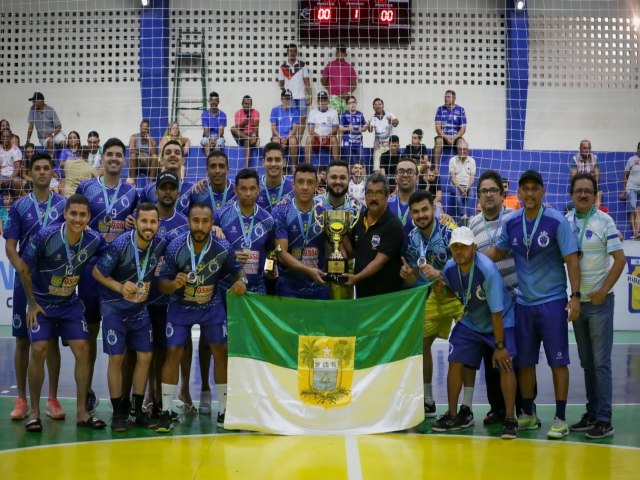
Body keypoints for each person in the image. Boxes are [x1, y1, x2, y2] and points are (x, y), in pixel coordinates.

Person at [485, 169, 581, 440]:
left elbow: (572, 259)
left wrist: (575, 296)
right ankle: (527, 414)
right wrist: (471, 256)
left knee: (557, 362)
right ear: (519, 191)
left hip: (552, 302)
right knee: (525, 363)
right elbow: (498, 252)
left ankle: (560, 418)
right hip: (523, 304)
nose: (529, 193)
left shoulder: (555, 221)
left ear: (543, 192)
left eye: (534, 189)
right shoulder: (513, 222)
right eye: (524, 189)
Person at [155, 201, 248, 432]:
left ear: (211, 223)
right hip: (181, 305)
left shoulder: (222, 246)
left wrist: (242, 280)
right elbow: (161, 284)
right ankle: (166, 410)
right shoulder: (175, 246)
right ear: (189, 222)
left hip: (211, 304)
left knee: (220, 350)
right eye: (195, 221)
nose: (200, 226)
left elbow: (237, 268)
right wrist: (172, 284)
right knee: (174, 351)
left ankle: (225, 410)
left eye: (205, 221)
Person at [19, 194, 107, 432]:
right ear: (66, 214)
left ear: (89, 217)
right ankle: (35, 413)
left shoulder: (93, 239)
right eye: (74, 214)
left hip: (69, 303)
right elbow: (24, 268)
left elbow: (111, 254)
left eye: (83, 215)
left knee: (84, 349)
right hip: (43, 304)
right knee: (38, 349)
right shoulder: (46, 236)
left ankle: (81, 412)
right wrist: (31, 303)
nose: (78, 219)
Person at [198, 169, 276, 414]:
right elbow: (210, 254)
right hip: (225, 289)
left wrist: (270, 270)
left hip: (256, 289)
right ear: (236, 190)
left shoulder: (267, 220)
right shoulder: (220, 217)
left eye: (253, 189)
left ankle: (252, 396)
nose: (248, 193)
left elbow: (272, 254)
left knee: (253, 345)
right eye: (243, 189)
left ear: (258, 190)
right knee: (217, 343)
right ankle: (208, 391)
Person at [430, 227, 519, 440]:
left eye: (464, 246)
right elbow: (452, 291)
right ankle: (452, 415)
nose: (459, 251)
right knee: (455, 360)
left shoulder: (486, 269)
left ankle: (510, 418)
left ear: (474, 247)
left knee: (505, 363)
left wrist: (499, 347)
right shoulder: (451, 267)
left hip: (500, 320)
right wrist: (440, 288)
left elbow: (496, 313)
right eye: (455, 247)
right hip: (471, 322)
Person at [76, 138, 139, 414]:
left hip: (119, 273)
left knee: (122, 339)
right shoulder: (87, 188)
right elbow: (74, 219)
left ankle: (122, 399)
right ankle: (87, 392)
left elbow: (141, 223)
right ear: (103, 158)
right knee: (89, 334)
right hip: (91, 271)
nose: (114, 159)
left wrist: (133, 222)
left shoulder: (132, 193)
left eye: (119, 155)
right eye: (110, 154)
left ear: (124, 160)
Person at [3, 152, 67, 422]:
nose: (42, 172)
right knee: (22, 341)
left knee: (51, 341)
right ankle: (21, 399)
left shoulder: (64, 205)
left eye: (46, 168)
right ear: (29, 174)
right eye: (37, 168)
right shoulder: (19, 206)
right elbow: (9, 245)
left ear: (53, 173)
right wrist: (22, 268)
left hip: (54, 285)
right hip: (25, 284)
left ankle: (52, 399)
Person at [92, 202, 167, 432]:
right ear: (136, 222)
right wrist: (119, 286)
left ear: (158, 224)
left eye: (153, 222)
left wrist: (215, 228)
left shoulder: (161, 243)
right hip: (114, 308)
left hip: (139, 309)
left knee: (145, 356)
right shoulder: (120, 245)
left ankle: (136, 411)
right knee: (117, 359)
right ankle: (118, 413)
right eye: (144, 221)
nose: (148, 226)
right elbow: (97, 272)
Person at [468, 170, 531, 426]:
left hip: (516, 297)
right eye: (484, 191)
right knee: (491, 355)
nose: (489, 195)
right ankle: (497, 407)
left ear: (502, 194)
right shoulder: (472, 224)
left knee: (518, 356)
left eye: (493, 190)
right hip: (488, 303)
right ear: (479, 197)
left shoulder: (515, 219)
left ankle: (524, 408)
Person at [566, 172, 625, 439]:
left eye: (588, 191)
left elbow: (620, 260)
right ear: (571, 194)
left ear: (595, 195)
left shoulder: (605, 221)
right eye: (578, 190)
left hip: (599, 305)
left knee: (601, 363)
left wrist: (602, 291)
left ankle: (605, 419)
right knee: (587, 362)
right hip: (578, 305)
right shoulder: (566, 222)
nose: (582, 194)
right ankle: (592, 414)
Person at [400, 189, 463, 419]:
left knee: (466, 347)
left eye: (425, 209)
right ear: (411, 215)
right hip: (434, 297)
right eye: (415, 212)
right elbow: (412, 276)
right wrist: (407, 274)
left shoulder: (450, 233)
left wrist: (441, 274)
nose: (421, 215)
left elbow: (466, 268)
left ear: (434, 209)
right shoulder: (412, 240)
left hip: (458, 296)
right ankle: (427, 398)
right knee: (422, 344)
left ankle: (464, 404)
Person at [146, 172, 189, 419]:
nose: (168, 192)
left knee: (164, 350)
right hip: (143, 297)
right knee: (142, 351)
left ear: (178, 192)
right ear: (156, 191)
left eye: (172, 188)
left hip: (170, 300)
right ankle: (143, 398)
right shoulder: (145, 219)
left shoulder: (184, 223)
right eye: (164, 187)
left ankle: (161, 399)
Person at [273, 163, 329, 300]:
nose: (305, 187)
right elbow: (281, 254)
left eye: (310, 182)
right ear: (293, 185)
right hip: (289, 288)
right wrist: (309, 271)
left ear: (316, 186)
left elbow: (330, 250)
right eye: (300, 182)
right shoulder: (281, 211)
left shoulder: (325, 213)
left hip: (319, 286)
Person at [343, 172, 404, 297]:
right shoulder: (359, 219)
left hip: (385, 297)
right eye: (369, 193)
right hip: (362, 295)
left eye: (378, 193)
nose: (373, 198)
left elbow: (379, 262)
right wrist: (341, 234)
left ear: (387, 195)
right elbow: (352, 253)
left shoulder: (393, 225)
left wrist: (356, 278)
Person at [140, 140, 193, 215]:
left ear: (183, 160)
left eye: (177, 153)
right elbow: (138, 214)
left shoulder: (192, 190)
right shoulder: (149, 189)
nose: (173, 155)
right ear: (161, 160)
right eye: (168, 153)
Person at [278, 43, 313, 137]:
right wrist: (286, 94)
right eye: (290, 51)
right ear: (287, 52)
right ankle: (291, 139)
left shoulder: (302, 65)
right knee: (291, 119)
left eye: (294, 51)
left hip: (302, 97)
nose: (292, 53)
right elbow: (281, 84)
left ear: (296, 52)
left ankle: (298, 141)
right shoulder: (283, 67)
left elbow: (307, 82)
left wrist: (310, 96)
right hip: (289, 99)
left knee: (302, 119)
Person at [190, 149, 236, 214]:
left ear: (227, 170)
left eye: (221, 166)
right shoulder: (198, 192)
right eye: (213, 166)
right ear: (207, 170)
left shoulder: (236, 192)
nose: (217, 171)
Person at [433, 90, 467, 172]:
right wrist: (446, 137)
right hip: (444, 136)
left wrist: (455, 138)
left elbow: (463, 129)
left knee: (462, 145)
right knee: (438, 141)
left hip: (456, 136)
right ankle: (436, 167)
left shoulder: (460, 109)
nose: (446, 98)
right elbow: (438, 128)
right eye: (445, 97)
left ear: (454, 98)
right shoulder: (440, 109)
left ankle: (462, 168)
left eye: (448, 97)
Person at [256, 142, 294, 213]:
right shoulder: (255, 187)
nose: (273, 164)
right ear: (263, 162)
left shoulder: (293, 188)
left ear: (284, 162)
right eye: (269, 160)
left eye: (277, 160)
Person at [25, 92, 67, 157]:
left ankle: (65, 161)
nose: (33, 103)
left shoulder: (51, 110)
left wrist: (52, 135)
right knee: (50, 141)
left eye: (35, 101)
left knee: (63, 142)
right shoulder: (33, 109)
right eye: (33, 101)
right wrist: (27, 141)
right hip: (43, 137)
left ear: (42, 101)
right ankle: (51, 162)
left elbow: (59, 126)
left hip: (54, 133)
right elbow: (31, 126)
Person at [321, 45, 358, 115]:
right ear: (336, 54)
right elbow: (323, 81)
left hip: (345, 98)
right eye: (338, 52)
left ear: (345, 54)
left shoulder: (349, 67)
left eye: (342, 52)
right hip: (333, 97)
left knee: (345, 119)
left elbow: (354, 84)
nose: (340, 54)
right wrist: (329, 87)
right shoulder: (330, 65)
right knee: (335, 118)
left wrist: (348, 93)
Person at [304, 91, 340, 165]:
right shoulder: (312, 112)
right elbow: (311, 130)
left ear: (328, 101)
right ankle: (307, 164)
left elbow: (335, 130)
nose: (323, 102)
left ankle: (336, 164)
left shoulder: (334, 112)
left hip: (328, 137)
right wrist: (319, 136)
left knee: (334, 139)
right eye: (321, 100)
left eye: (325, 100)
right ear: (317, 102)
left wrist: (327, 136)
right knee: (309, 139)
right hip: (316, 138)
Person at [387, 157, 419, 236]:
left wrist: (446, 218)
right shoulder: (385, 204)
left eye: (410, 172)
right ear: (395, 178)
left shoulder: (427, 206)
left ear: (417, 178)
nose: (405, 175)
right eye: (401, 171)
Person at [448, 139, 476, 225]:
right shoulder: (452, 160)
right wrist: (460, 188)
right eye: (460, 149)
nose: (462, 151)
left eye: (465, 149)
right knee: (457, 195)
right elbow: (453, 179)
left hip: (467, 185)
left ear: (468, 150)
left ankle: (465, 215)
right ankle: (463, 215)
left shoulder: (472, 161)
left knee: (471, 193)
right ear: (457, 150)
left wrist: (466, 188)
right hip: (455, 185)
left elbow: (472, 178)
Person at [270, 89, 300, 167]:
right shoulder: (275, 110)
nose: (288, 101)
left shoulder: (295, 111)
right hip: (278, 135)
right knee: (276, 142)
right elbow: (273, 128)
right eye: (286, 98)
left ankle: (293, 165)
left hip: (289, 136)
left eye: (289, 99)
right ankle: (278, 165)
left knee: (293, 142)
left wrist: (286, 138)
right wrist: (280, 137)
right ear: (281, 99)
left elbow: (294, 129)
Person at [569, 140, 602, 207]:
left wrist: (591, 185)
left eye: (589, 148)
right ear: (580, 149)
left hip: (591, 184)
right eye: (585, 148)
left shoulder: (595, 158)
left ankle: (596, 211)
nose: (587, 150)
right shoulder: (575, 159)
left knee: (599, 191)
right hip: (579, 184)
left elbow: (597, 176)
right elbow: (574, 177)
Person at [370, 98, 399, 173]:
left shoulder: (389, 114)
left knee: (389, 168)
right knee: (376, 170)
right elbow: (370, 130)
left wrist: (392, 121)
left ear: (383, 106)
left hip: (389, 146)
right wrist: (368, 127)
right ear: (373, 107)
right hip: (378, 146)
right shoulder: (372, 118)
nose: (377, 106)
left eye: (379, 104)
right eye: (375, 104)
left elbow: (396, 122)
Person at [230, 95, 260, 168]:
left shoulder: (256, 113)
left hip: (252, 136)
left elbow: (256, 128)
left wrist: (254, 136)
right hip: (241, 136)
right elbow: (237, 129)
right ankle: (247, 138)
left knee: (247, 140)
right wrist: (244, 123)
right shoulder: (238, 113)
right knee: (232, 128)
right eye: (246, 104)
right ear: (242, 104)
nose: (247, 106)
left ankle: (246, 166)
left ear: (251, 105)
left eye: (249, 104)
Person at [339, 95, 369, 165]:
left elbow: (364, 128)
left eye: (353, 102)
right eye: (350, 103)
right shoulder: (344, 114)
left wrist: (362, 128)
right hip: (348, 143)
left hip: (358, 143)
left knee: (362, 161)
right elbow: (340, 128)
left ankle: (363, 176)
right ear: (347, 105)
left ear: (356, 103)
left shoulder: (360, 114)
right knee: (348, 162)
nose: (352, 104)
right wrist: (348, 128)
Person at [127, 119, 159, 185]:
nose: (145, 131)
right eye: (143, 129)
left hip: (148, 163)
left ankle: (150, 182)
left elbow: (153, 153)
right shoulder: (134, 137)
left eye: (147, 129)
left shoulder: (152, 140)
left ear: (149, 130)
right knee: (133, 155)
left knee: (155, 157)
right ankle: (133, 182)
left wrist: (149, 140)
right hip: (137, 161)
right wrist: (140, 153)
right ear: (140, 128)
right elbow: (131, 150)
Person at [621, 142, 640, 238]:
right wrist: (624, 190)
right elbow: (625, 175)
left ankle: (637, 233)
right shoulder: (631, 160)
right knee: (632, 210)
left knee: (638, 210)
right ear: (637, 149)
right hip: (631, 188)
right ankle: (635, 232)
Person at [200, 91, 228, 156]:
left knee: (219, 142)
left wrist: (215, 140)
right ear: (209, 101)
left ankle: (215, 161)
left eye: (215, 100)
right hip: (207, 136)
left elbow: (221, 131)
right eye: (212, 100)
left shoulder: (222, 115)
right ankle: (209, 162)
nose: (213, 102)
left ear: (218, 101)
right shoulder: (204, 114)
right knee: (204, 141)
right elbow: (206, 129)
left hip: (218, 136)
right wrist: (210, 139)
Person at [0, 128, 23, 195]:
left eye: (7, 136)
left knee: (17, 181)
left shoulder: (16, 150)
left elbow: (17, 168)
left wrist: (10, 178)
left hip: (12, 176)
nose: (5, 138)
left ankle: (16, 202)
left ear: (10, 137)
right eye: (4, 136)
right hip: (1, 176)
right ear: (1, 137)